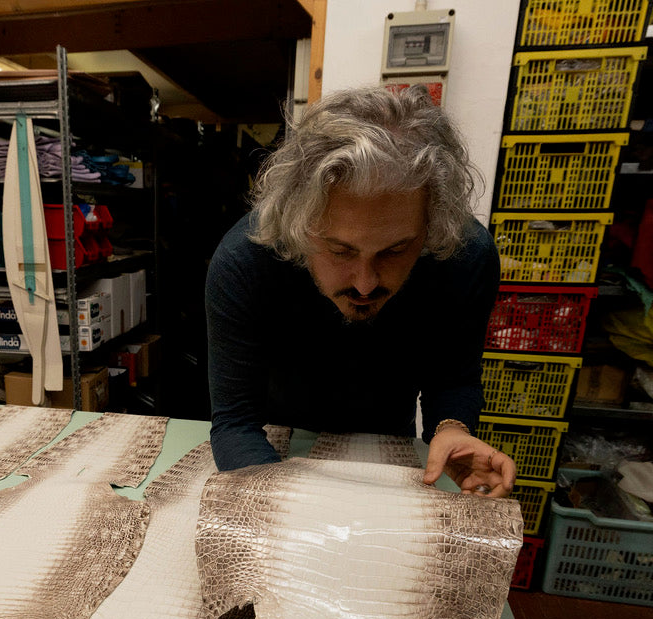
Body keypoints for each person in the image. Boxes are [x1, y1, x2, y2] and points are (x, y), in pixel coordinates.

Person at [205, 85, 516, 498]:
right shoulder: (246, 260)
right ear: (300, 225)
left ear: (431, 227)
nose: (365, 283)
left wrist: (451, 427)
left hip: (390, 439)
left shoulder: (463, 255)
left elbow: (454, 376)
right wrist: (280, 505)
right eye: (340, 250)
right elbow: (235, 420)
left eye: (396, 250)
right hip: (274, 438)